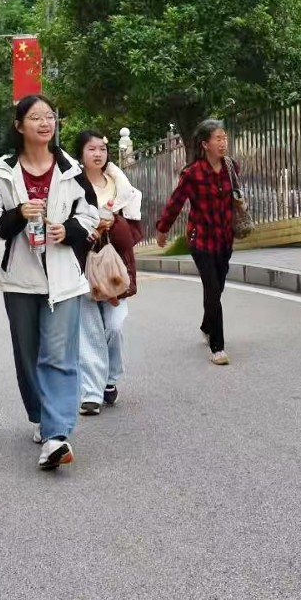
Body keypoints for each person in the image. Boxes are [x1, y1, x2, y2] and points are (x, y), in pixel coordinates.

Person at [0, 94, 99, 470]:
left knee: (58, 356)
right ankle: (41, 416)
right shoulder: (3, 171)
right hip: (19, 278)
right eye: (35, 117)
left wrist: (67, 230)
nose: (45, 122)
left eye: (49, 116)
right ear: (19, 126)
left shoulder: (70, 167)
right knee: (28, 356)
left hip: (64, 278)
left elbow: (91, 214)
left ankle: (56, 433)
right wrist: (19, 214)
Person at [156, 119, 240, 366]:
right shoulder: (192, 173)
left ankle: (206, 324)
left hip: (224, 238)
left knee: (218, 286)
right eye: (218, 139)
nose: (223, 143)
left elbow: (236, 197)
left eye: (224, 138)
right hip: (201, 239)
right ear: (205, 144)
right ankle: (218, 346)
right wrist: (162, 229)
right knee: (212, 288)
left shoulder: (231, 167)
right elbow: (176, 202)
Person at [75, 130, 144, 414]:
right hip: (82, 270)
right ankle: (92, 392)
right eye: (92, 149)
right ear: (81, 154)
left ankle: (110, 379)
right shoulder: (72, 188)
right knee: (90, 333)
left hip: (115, 270)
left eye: (102, 149)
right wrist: (90, 231)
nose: (98, 154)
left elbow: (135, 235)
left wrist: (111, 224)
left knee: (113, 327)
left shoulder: (122, 189)